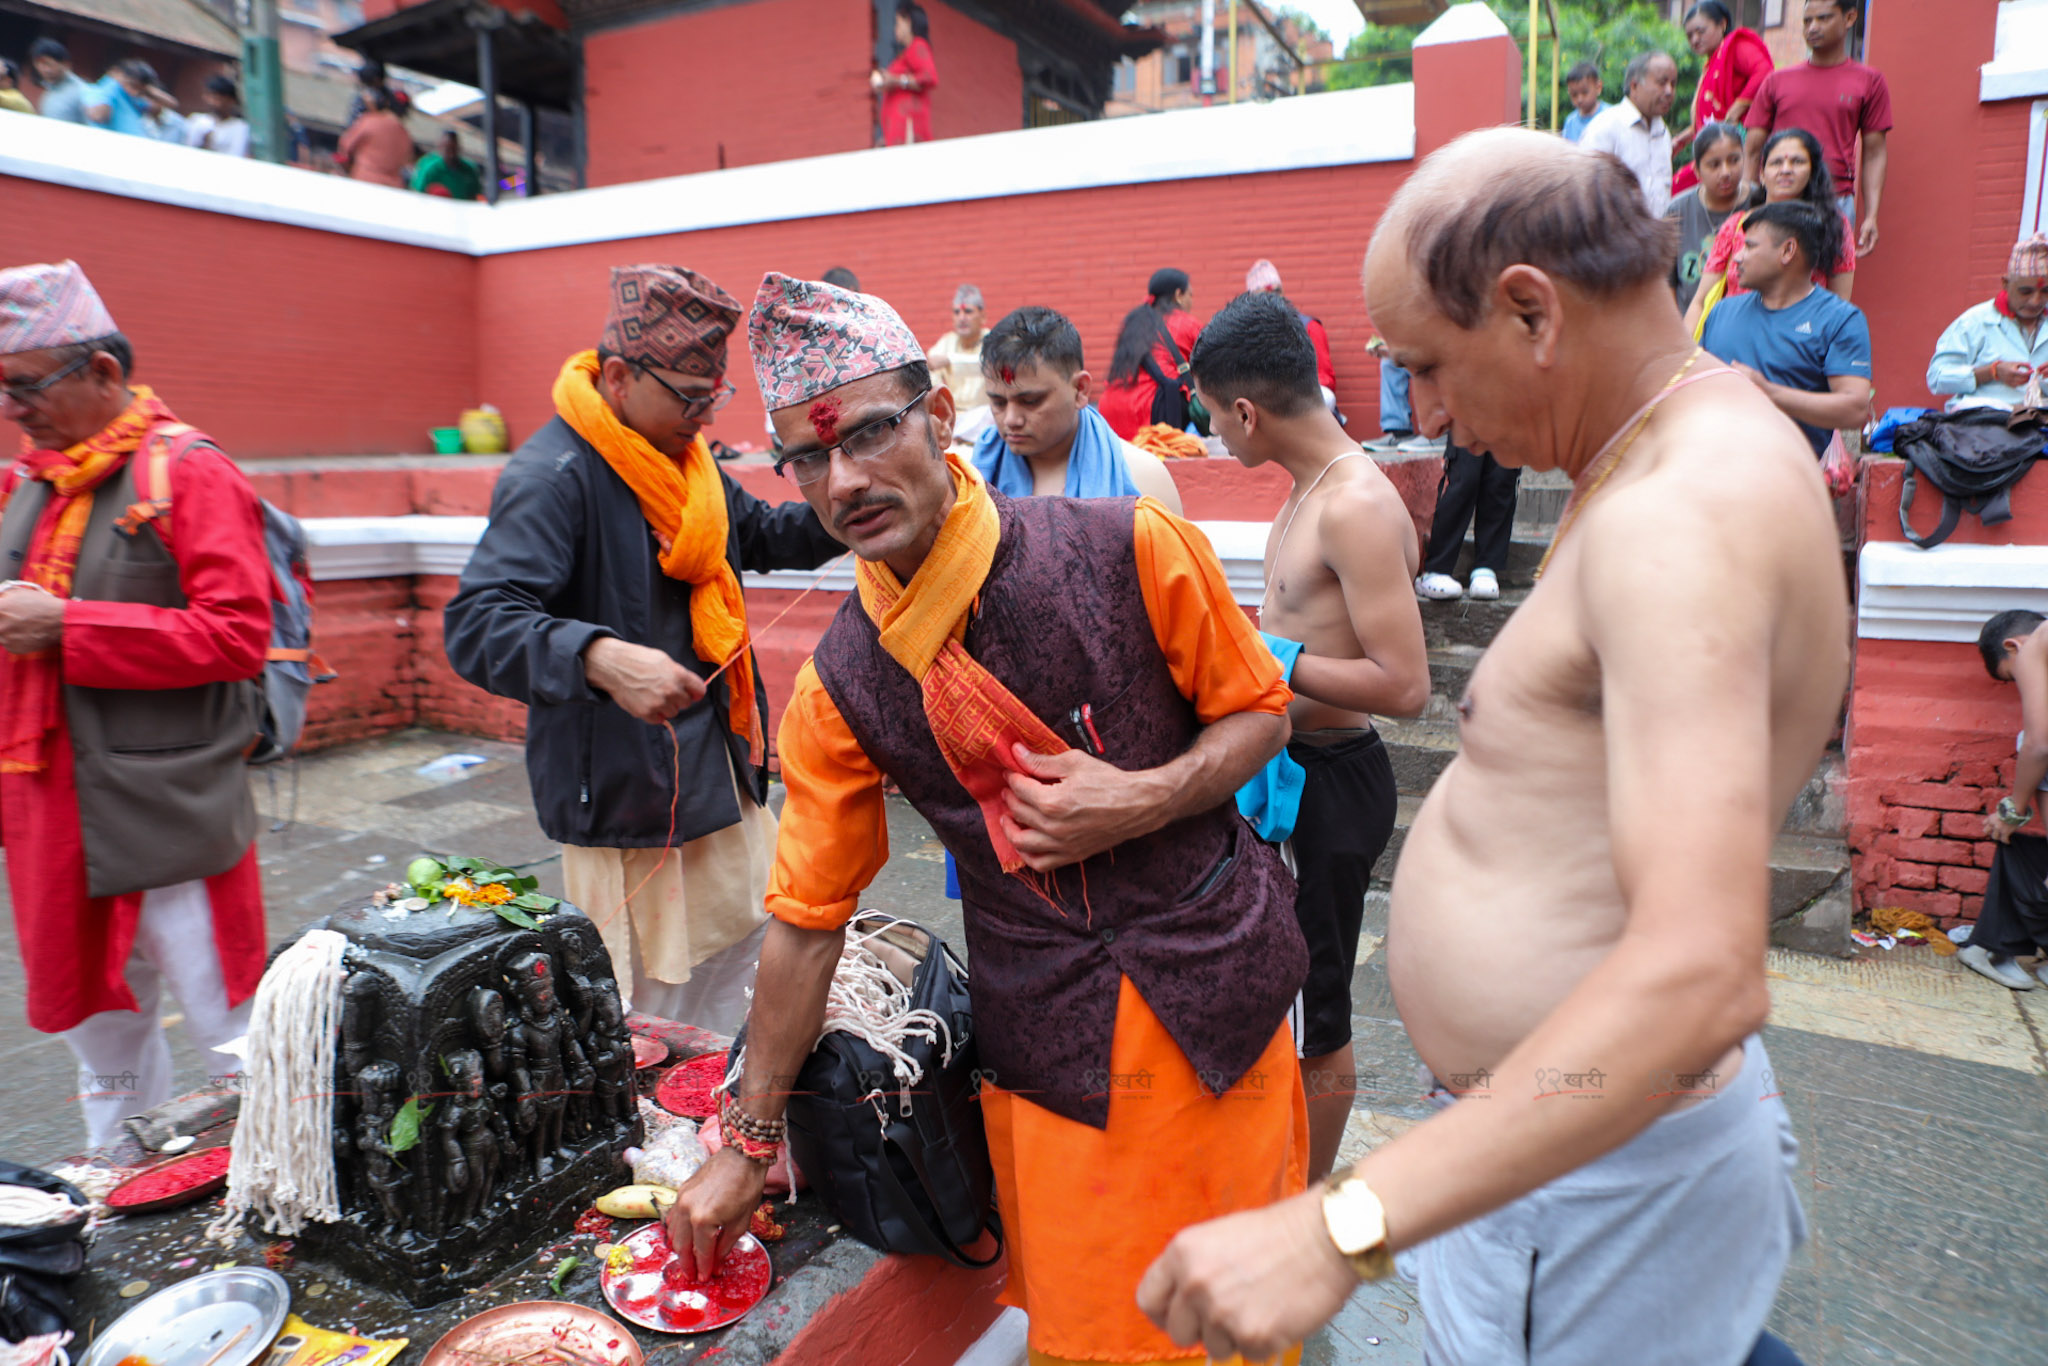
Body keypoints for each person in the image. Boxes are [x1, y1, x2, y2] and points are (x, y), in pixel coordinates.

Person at [1137, 127, 1844, 1366]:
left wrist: (1339, 1225)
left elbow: (1699, 976)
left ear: (1530, 312)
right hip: (1574, 1152)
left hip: (1597, 1175)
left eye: (1424, 364)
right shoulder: (1656, 455)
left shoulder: (1679, 511)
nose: (1424, 410)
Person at [664, 271, 1310, 1366]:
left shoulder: (1131, 544)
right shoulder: (839, 685)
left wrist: (1143, 795)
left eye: (869, 432)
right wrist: (746, 1135)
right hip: (1052, 1046)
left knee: (1248, 1317)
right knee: (1095, 1333)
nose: (845, 479)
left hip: (1220, 1001)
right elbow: (806, 917)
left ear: (937, 416)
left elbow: (1259, 715)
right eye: (808, 457)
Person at [444, 266, 841, 1034]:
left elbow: (760, 533)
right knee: (648, 1024)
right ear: (619, 377)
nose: (702, 416)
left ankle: (738, 1131)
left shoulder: (688, 465)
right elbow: (476, 624)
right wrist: (597, 657)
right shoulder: (553, 477)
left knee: (748, 986)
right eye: (688, 397)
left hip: (717, 781)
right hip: (626, 806)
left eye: (712, 397)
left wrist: (854, 496)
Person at [0, 261, 273, 1150]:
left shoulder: (190, 472)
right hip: (53, 816)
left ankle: (274, 1197)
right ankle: (121, 1199)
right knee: (103, 1045)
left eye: (28, 386)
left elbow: (237, 636)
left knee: (235, 1037)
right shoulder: (30, 488)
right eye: (6, 391)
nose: (16, 409)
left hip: (170, 817)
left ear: (105, 375)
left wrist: (69, 626)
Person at [1193, 291, 1429, 1182]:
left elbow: (1404, 685)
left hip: (1330, 784)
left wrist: (1269, 658)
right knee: (1268, 996)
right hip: (1286, 775)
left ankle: (1307, 1208)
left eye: (1213, 417)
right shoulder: (1312, 488)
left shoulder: (1356, 505)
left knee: (1318, 1016)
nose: (1216, 435)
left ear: (1246, 411)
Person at [1701, 201, 1874, 457]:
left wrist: (1769, 392)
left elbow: (1855, 409)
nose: (1737, 256)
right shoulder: (1721, 312)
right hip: (1709, 472)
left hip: (1788, 484)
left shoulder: (1840, 320)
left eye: (1749, 246)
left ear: (1787, 251)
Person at [972, 304, 1182, 510]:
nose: (1011, 419)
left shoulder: (1145, 481)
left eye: (1030, 401)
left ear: (1080, 390)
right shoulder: (970, 480)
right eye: (998, 402)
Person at [1745, 0, 1890, 256]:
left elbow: (1875, 152)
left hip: (1835, 201)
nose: (1812, 27)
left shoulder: (1869, 81)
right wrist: (1750, 202)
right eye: (1807, 21)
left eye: (1823, 19)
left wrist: (1872, 215)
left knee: (1828, 288)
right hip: (1780, 200)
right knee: (1771, 286)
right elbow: (1753, 147)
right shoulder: (1777, 81)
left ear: (1849, 18)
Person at [1684, 126, 1855, 334]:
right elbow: (1700, 301)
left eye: (1797, 162)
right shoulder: (1737, 226)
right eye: (1776, 162)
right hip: (1731, 345)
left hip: (1799, 349)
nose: (1786, 169)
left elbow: (1839, 306)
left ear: (1812, 171)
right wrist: (1687, 359)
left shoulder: (1833, 226)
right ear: (1762, 175)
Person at [1965, 609, 2048, 990]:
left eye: (2012, 677)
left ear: (2013, 647)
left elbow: (2039, 743)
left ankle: (1996, 943)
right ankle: (1997, 942)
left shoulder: (2035, 646)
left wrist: (2013, 810)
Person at [1927, 234, 2048, 413]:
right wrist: (1992, 372)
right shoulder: (1976, 321)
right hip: (1984, 424)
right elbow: (1937, 378)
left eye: (2045, 291)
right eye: (2025, 291)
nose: (2035, 301)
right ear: (2006, 284)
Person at [1671, 2, 1773, 195]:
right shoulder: (1711, 63)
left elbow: (1764, 72)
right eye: (1690, 35)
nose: (1695, 39)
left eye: (1700, 31)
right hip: (1712, 147)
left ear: (1723, 25)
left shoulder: (1735, 46)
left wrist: (1737, 108)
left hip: (1736, 148)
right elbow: (1711, 117)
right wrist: (1683, 138)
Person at [1099, 268, 1203, 440]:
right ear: (1178, 295)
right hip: (1155, 410)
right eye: (1190, 295)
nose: (1191, 301)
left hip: (1111, 407)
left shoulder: (1134, 321)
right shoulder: (1187, 324)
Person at [1579, 52, 1679, 216]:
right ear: (1634, 86)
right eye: (1662, 83)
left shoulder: (1663, 133)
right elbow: (1585, 192)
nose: (1669, 91)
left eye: (1673, 84)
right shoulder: (1606, 126)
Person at [1667, 121, 1747, 312]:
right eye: (1714, 165)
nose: (1726, 172)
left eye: (1734, 160)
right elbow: (1665, 281)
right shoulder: (1677, 211)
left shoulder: (1760, 202)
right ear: (1697, 170)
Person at [1247, 259, 1339, 414]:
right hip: (1266, 405)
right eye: (1264, 296)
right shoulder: (1249, 335)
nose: (1273, 299)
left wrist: (1291, 389)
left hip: (1304, 401)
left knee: (1326, 396)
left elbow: (1326, 379)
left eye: (1276, 292)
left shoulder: (1309, 327)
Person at [926, 282, 988, 435]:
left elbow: (986, 364)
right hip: (953, 419)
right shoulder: (946, 342)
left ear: (983, 316)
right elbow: (929, 373)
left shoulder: (992, 340)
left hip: (983, 419)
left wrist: (949, 361)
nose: (962, 318)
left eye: (968, 312)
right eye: (956, 313)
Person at [875, 1, 936, 147]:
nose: (895, 28)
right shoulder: (906, 54)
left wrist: (896, 80)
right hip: (898, 134)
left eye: (898, 22)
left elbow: (929, 77)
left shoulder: (917, 45)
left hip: (910, 129)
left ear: (908, 22)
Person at [336, 87, 414, 188]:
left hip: (363, 181)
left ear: (386, 103)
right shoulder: (406, 135)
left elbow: (346, 146)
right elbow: (406, 162)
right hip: (391, 188)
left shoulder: (369, 121)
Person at [183, 75, 250, 157]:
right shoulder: (197, 121)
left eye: (219, 99)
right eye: (212, 98)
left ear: (232, 100)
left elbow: (237, 155)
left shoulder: (240, 127)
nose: (215, 103)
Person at [28, 40, 91, 124]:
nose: (44, 69)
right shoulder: (50, 88)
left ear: (65, 64)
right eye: (39, 64)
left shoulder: (82, 91)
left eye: (48, 64)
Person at [412, 129, 484, 200]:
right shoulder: (431, 170)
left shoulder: (469, 170)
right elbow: (418, 193)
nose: (451, 155)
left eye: (454, 149)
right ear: (440, 148)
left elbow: (476, 195)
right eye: (448, 149)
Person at [1559, 61, 1610, 144]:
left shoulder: (1609, 116)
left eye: (1585, 92)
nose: (1580, 99)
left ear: (1598, 87)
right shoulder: (1570, 122)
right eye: (1574, 94)